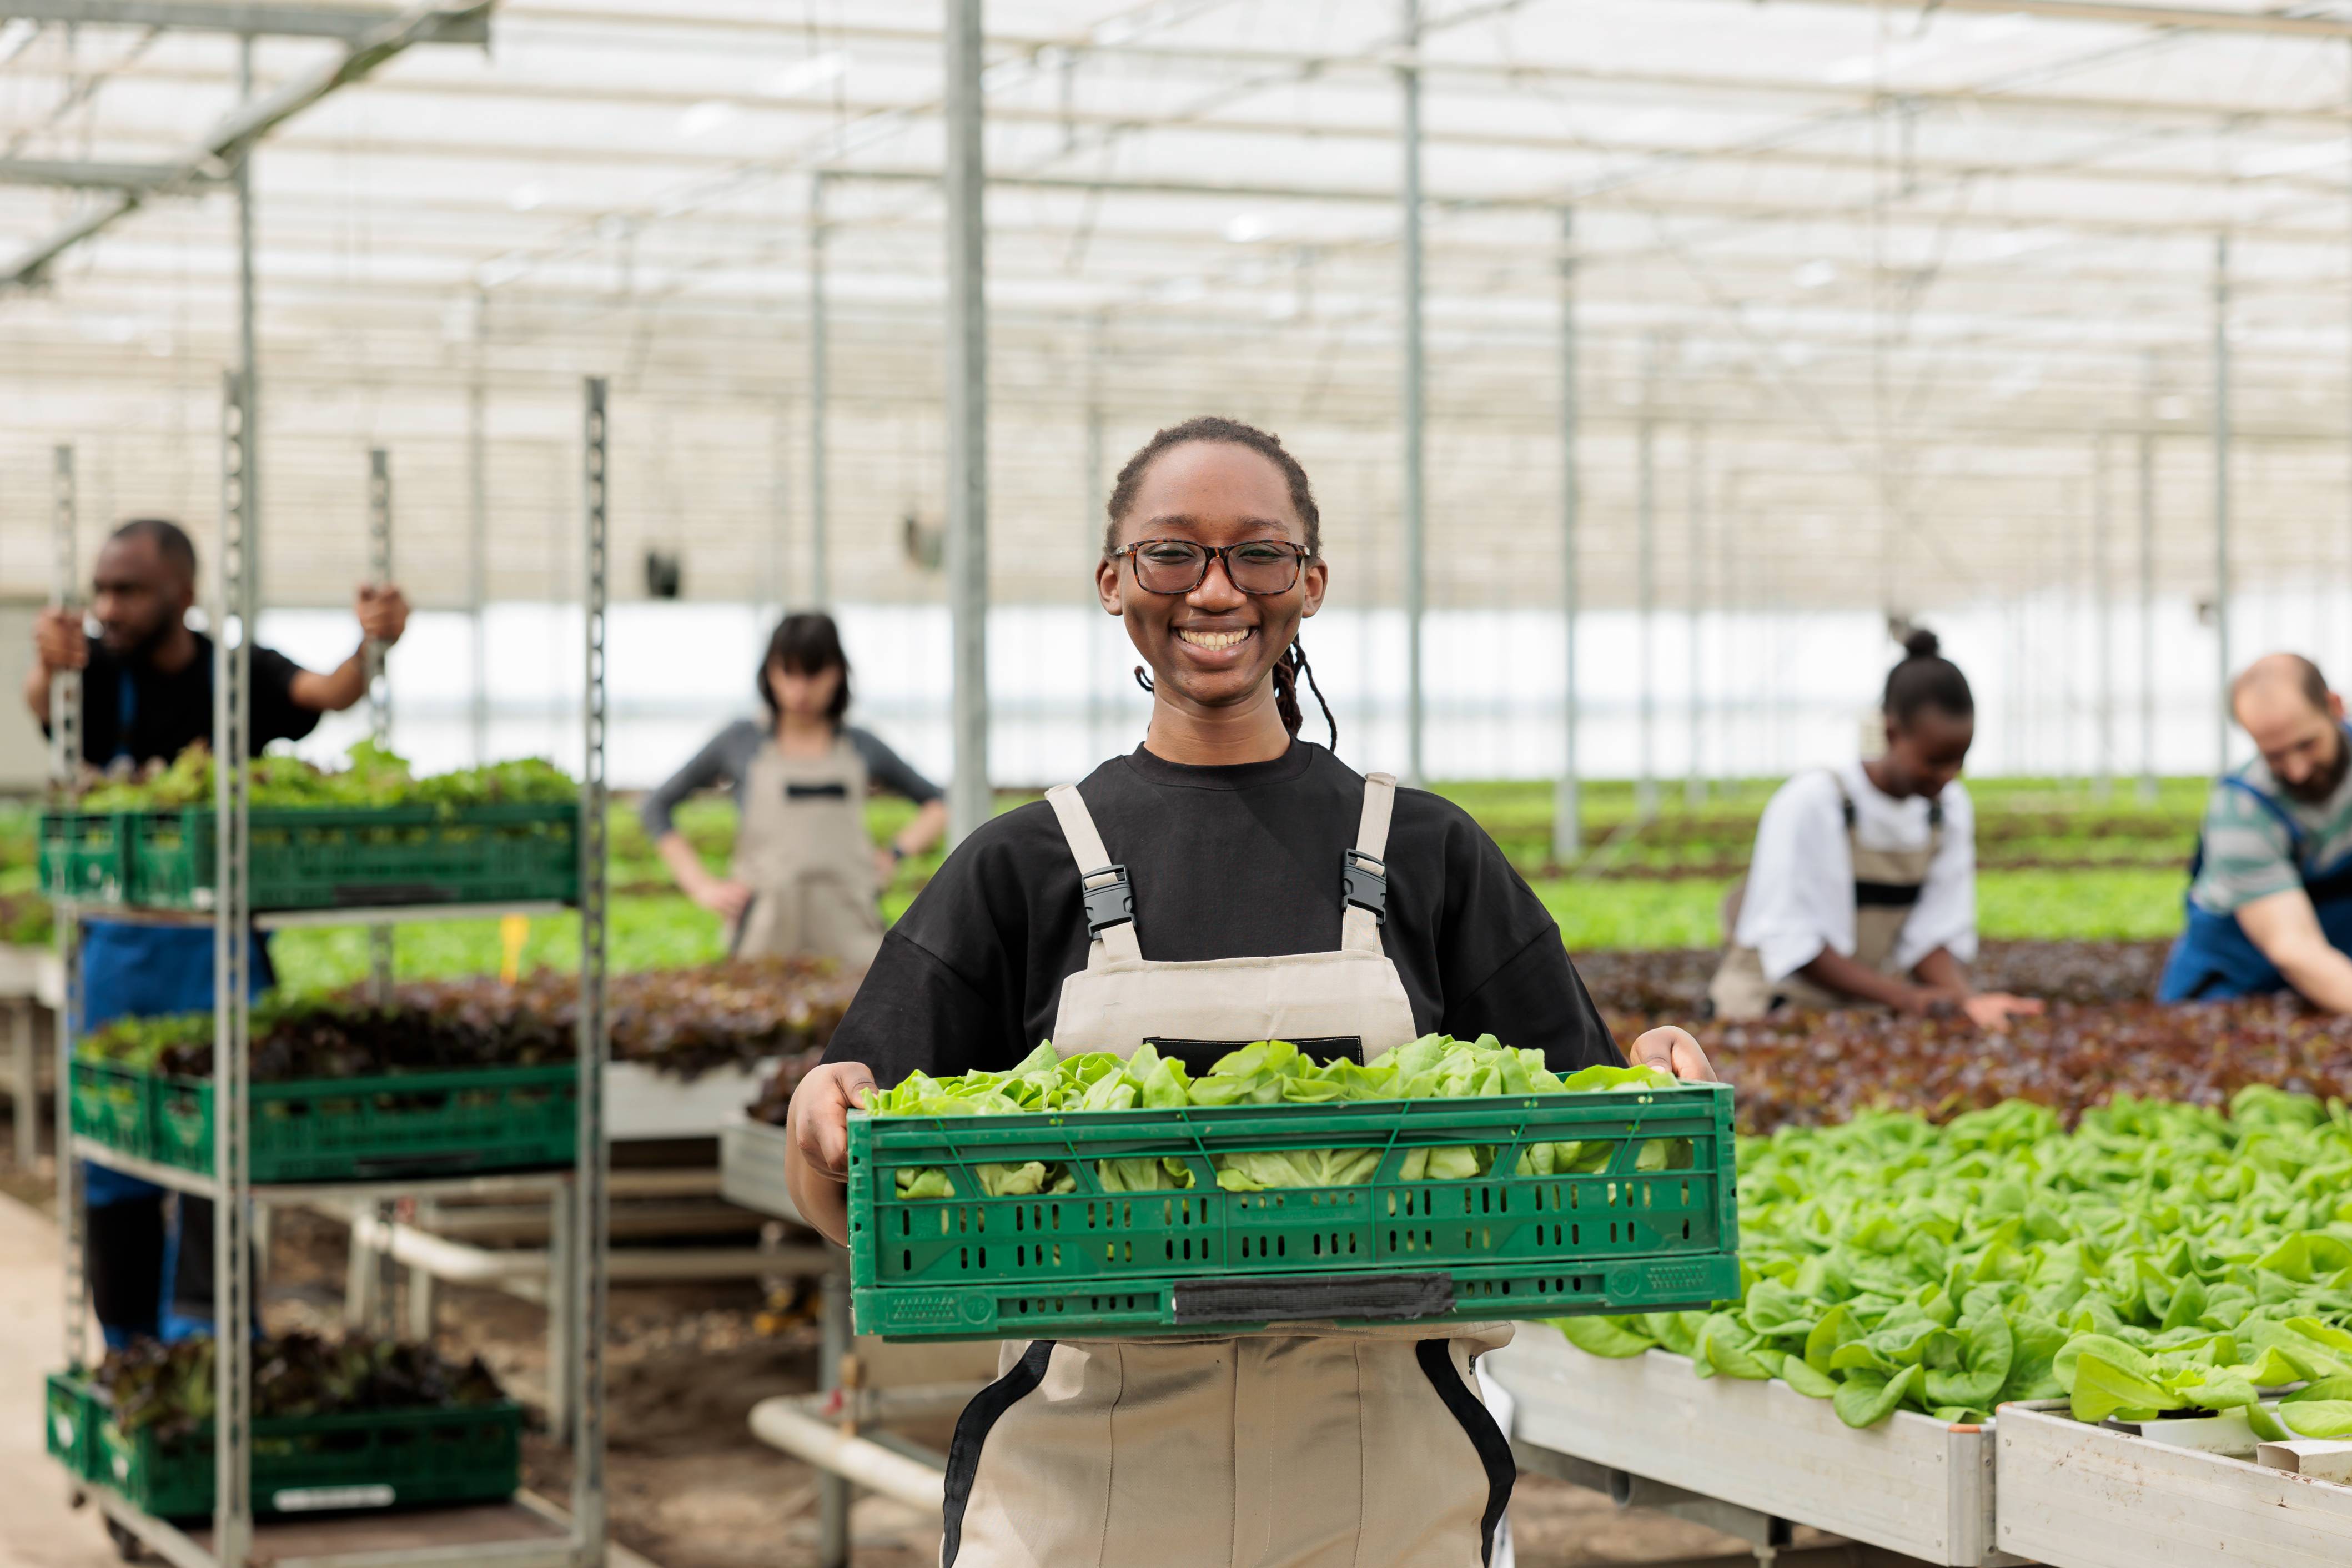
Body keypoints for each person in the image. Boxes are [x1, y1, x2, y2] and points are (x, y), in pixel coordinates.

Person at [783, 415, 1715, 1568]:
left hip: (1390, 1494)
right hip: (1084, 1504)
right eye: (1173, 552)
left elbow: (1593, 1153)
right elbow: (855, 1190)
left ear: (1309, 582)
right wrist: (817, 1119)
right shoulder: (1021, 864)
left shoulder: (1426, 851)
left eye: (1257, 553)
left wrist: (1656, 1092)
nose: (1214, 588)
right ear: (1114, 581)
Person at [25, 516, 409, 1344]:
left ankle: (209, 1347)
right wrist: (44, 663)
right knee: (117, 1167)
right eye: (102, 589)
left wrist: (374, 645)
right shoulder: (93, 673)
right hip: (121, 964)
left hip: (220, 964)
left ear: (183, 594)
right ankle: (131, 1350)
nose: (109, 607)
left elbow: (328, 693)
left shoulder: (240, 672)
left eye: (129, 589)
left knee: (221, 1155)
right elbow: (44, 710)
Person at [1708, 630, 2041, 1028]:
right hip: (1771, 1004)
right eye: (1935, 761)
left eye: (1961, 758)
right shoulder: (1814, 802)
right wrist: (1906, 998)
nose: (1949, 776)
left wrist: (1967, 1003)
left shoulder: (1948, 810)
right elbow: (1797, 945)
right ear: (1891, 733)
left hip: (1855, 1010)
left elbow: (1929, 936)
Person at [641, 611, 947, 968]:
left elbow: (939, 802)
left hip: (852, 932)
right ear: (770, 673)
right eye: (789, 673)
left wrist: (894, 853)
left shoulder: (861, 746)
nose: (800, 690)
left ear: (837, 673)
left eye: (813, 674)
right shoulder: (741, 742)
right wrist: (701, 886)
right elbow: (656, 807)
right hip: (763, 933)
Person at [2158, 654, 2352, 1007]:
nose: (2297, 771)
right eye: (2275, 755)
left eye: (2307, 744)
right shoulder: (2241, 809)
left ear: (2335, 706)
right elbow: (2294, 948)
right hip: (2237, 972)